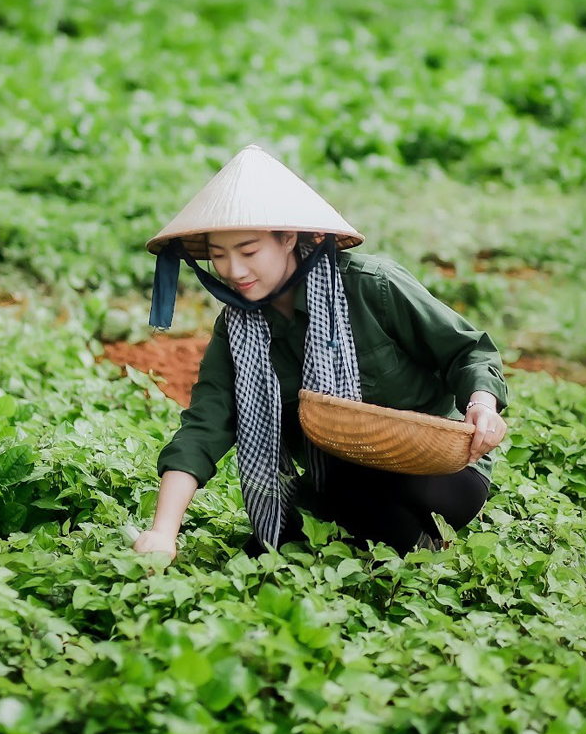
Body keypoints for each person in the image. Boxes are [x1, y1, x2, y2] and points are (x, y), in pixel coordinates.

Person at [133, 145, 508, 560]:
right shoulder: (236, 329)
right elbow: (204, 426)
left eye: (249, 251)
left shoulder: (371, 286)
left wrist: (483, 405)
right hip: (339, 481)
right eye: (219, 255)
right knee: (270, 544)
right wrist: (163, 532)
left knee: (352, 489)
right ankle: (403, 544)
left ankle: (402, 545)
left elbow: (468, 350)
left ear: (288, 238)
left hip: (439, 470)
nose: (234, 271)